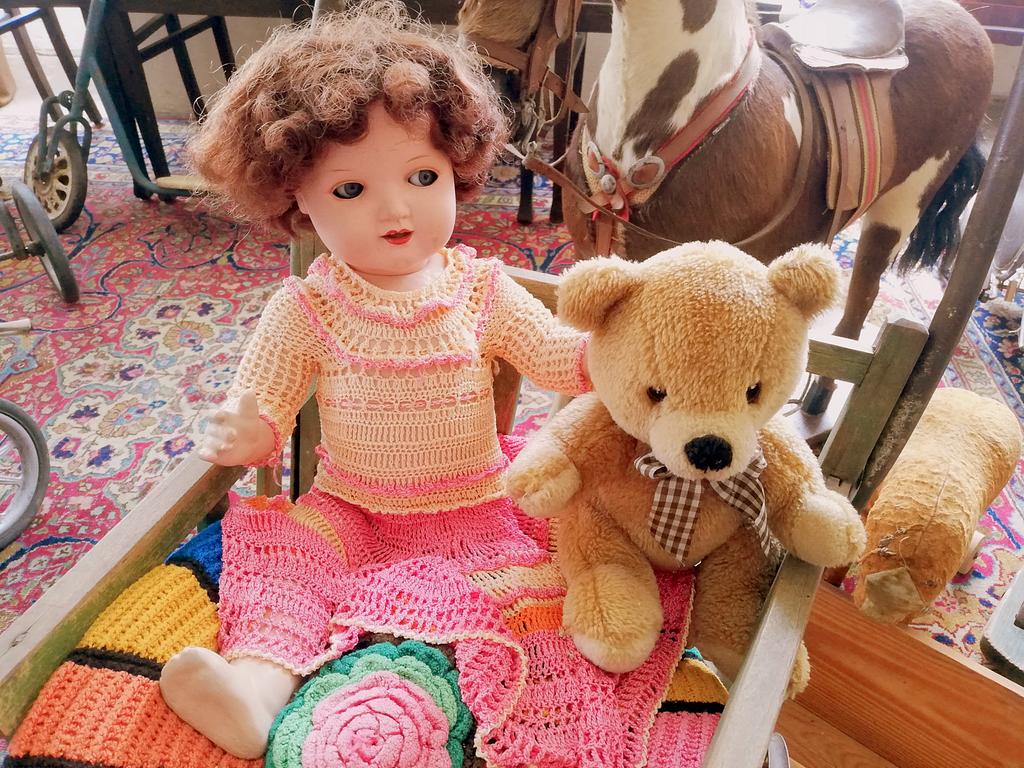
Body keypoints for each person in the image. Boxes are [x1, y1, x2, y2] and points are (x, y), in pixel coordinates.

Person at [159, 4, 689, 765]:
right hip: (353, 509)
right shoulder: (307, 307)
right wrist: (250, 430)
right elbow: (263, 399)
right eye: (349, 190)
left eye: (422, 176)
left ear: (458, 168)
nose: (396, 208)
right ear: (296, 198)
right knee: (289, 571)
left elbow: (556, 356)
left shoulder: (481, 289)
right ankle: (255, 690)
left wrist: (626, 357)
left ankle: (518, 716)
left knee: (527, 599)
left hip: (480, 506)